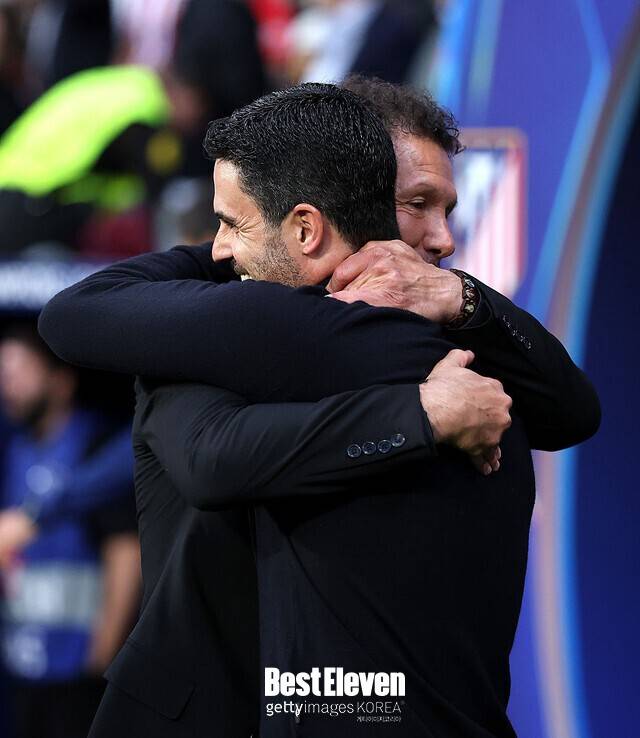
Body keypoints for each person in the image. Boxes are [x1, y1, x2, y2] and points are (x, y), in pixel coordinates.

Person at [39, 83, 600, 737]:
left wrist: (461, 297)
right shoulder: (211, 327)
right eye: (417, 204)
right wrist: (417, 414)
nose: (443, 238)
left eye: (447, 208)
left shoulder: (469, 357)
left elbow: (574, 409)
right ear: (341, 195)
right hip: (198, 711)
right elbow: (210, 457)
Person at [0, 324, 140, 738]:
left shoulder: (95, 447)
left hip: (81, 671)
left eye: (19, 371)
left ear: (60, 381)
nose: (8, 385)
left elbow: (125, 551)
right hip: (24, 664)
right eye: (3, 374)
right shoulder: (15, 450)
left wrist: (103, 654)